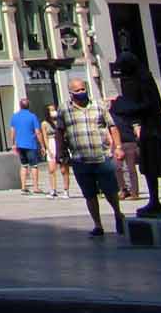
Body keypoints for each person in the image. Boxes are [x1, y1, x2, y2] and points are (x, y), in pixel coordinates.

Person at [58, 78, 126, 237]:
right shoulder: (64, 110)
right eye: (78, 91)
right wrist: (60, 152)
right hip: (80, 159)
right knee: (89, 194)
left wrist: (118, 147)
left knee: (110, 191)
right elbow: (60, 132)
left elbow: (112, 126)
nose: (81, 92)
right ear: (71, 93)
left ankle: (118, 214)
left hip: (101, 156)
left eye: (83, 89)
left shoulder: (98, 106)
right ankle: (98, 225)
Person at [8, 99, 43, 195]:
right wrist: (42, 145)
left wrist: (13, 144)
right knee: (34, 166)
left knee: (23, 165)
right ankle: (35, 187)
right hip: (30, 144)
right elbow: (37, 132)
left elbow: (12, 131)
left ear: (20, 106)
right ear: (29, 106)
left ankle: (23, 187)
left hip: (20, 145)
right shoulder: (32, 116)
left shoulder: (15, 117)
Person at [41, 104, 67, 197]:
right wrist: (47, 149)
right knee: (52, 169)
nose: (53, 112)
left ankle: (65, 190)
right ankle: (53, 189)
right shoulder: (44, 123)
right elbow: (45, 137)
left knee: (63, 169)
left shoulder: (60, 122)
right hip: (51, 144)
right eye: (51, 110)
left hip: (59, 143)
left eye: (54, 110)